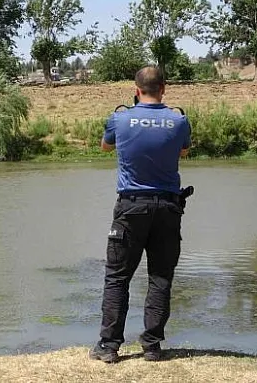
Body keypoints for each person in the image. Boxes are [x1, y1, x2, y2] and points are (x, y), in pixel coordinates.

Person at [89, 66, 192, 363]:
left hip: (130, 207)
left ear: (136, 90)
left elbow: (105, 146)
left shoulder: (120, 118)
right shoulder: (178, 119)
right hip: (168, 208)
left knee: (117, 277)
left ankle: (109, 347)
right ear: (164, 88)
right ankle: (152, 346)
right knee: (160, 277)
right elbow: (184, 152)